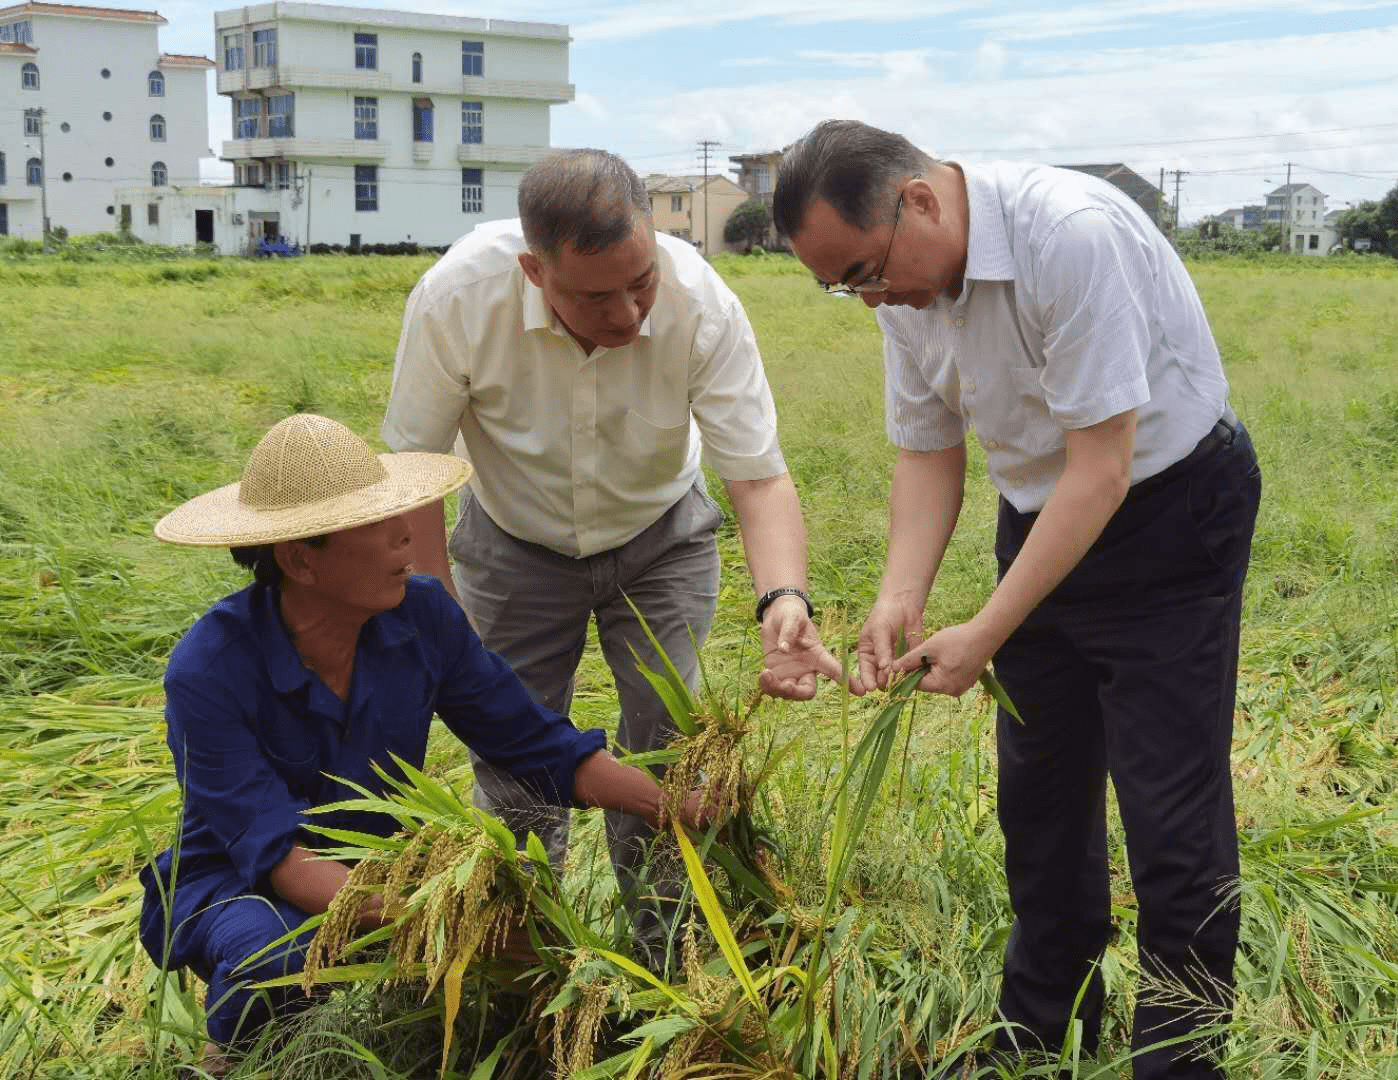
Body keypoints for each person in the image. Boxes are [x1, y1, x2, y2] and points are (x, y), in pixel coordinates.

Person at [773, 121, 1261, 1080]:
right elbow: (928, 448)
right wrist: (896, 599)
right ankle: (1041, 1037)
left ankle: (1180, 1059)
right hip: (1044, 512)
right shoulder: (900, 283)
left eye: (867, 271)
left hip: (1167, 513)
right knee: (1039, 800)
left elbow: (1103, 467)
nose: (870, 297)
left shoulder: (1065, 234)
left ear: (919, 198)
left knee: (1170, 814)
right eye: (843, 287)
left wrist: (991, 628)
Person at [137, 413, 713, 1068]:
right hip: (242, 882)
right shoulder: (209, 669)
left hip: (381, 864)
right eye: (375, 525)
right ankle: (242, 1054)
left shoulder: (423, 617)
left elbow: (535, 744)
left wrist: (669, 804)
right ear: (300, 559)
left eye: (396, 514)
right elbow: (279, 859)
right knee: (273, 954)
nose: (405, 535)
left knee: (517, 937)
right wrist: (445, 925)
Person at [381, 149, 846, 953]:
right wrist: (440, 614)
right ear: (533, 269)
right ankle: (524, 955)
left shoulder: (701, 301)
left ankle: (663, 958)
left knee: (668, 747)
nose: (629, 314)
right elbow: (414, 474)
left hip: (661, 536)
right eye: (597, 296)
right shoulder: (457, 298)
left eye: (641, 283)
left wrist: (786, 601)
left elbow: (759, 479)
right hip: (511, 538)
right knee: (513, 750)